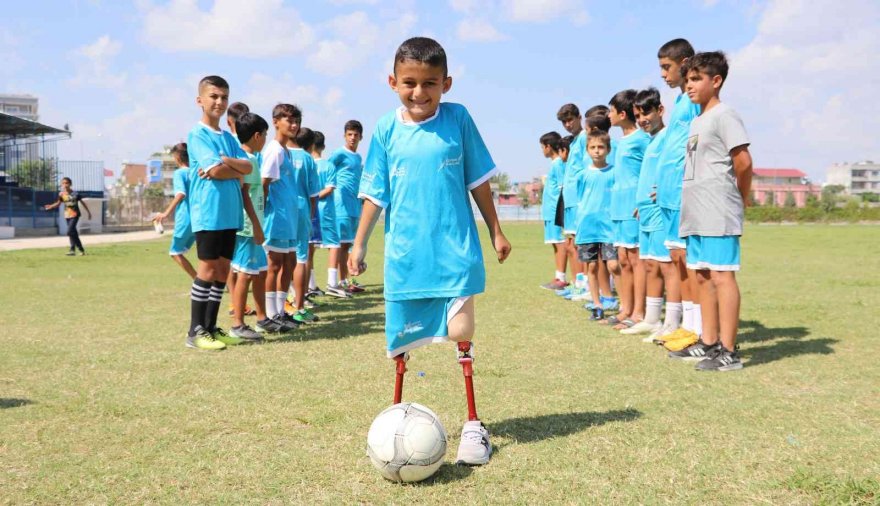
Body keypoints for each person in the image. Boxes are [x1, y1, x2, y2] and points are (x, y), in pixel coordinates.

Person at [349, 37, 511, 466]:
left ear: (446, 84)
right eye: (410, 83)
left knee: (460, 331)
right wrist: (360, 241)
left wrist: (496, 230)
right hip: (405, 256)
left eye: (430, 84)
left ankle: (474, 425)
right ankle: (396, 419)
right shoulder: (385, 129)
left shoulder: (458, 120)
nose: (419, 93)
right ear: (392, 81)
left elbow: (478, 181)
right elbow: (375, 193)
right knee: (401, 344)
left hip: (454, 249)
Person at [669, 51, 752, 371]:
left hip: (718, 208)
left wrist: (739, 197)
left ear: (716, 81)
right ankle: (709, 342)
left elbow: (743, 162)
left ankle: (729, 351)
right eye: (687, 79)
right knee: (702, 275)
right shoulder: (698, 119)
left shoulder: (724, 115)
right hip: (695, 210)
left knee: (721, 275)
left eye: (696, 79)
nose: (689, 85)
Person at [184, 75, 253, 350]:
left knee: (223, 270)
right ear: (200, 100)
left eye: (224, 97)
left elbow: (249, 168)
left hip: (230, 212)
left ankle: (211, 327)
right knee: (208, 268)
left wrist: (227, 163)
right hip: (209, 211)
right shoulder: (197, 134)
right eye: (213, 96)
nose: (219, 102)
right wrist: (229, 168)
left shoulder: (227, 137)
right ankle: (195, 331)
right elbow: (214, 171)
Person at [653, 38, 703, 350]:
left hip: (686, 192)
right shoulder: (681, 101)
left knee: (687, 259)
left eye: (666, 67)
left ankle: (697, 329)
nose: (662, 74)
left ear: (684, 63)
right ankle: (686, 324)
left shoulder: (694, 100)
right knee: (675, 257)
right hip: (669, 193)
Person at [621, 88, 670, 337]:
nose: (641, 119)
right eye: (638, 115)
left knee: (666, 266)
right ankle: (651, 319)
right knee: (650, 264)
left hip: (662, 212)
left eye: (646, 113)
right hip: (645, 211)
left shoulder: (667, 137)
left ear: (660, 110)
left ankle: (672, 322)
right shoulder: (650, 140)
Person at [229, 111, 277, 341]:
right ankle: (238, 324)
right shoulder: (246, 160)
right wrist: (257, 226)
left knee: (260, 272)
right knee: (245, 275)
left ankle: (262, 318)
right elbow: (245, 194)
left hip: (256, 225)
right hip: (248, 228)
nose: (266, 139)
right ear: (257, 135)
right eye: (266, 134)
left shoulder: (253, 158)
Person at [607, 90, 652, 331]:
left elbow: (651, 168)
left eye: (611, 110)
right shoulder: (618, 143)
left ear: (622, 114)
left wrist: (644, 198)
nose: (608, 115)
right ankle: (625, 308)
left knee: (636, 259)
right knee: (623, 258)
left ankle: (639, 312)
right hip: (618, 205)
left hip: (635, 205)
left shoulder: (642, 139)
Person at [260, 103, 301, 334]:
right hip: (276, 218)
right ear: (276, 121)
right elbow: (264, 183)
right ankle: (270, 314)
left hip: (288, 219)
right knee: (274, 265)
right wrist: (264, 211)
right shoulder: (274, 149)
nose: (294, 125)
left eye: (296, 121)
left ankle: (281, 312)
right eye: (289, 121)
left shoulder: (285, 150)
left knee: (289, 264)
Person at [575, 131, 618, 321]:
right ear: (587, 150)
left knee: (614, 265)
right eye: (593, 147)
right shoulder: (583, 175)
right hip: (587, 227)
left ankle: (623, 303)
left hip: (609, 227)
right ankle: (597, 304)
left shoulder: (614, 172)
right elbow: (580, 199)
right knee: (591, 267)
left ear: (608, 149)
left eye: (601, 147)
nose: (597, 151)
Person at [285, 127, 321, 323]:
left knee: (281, 257)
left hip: (282, 212)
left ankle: (280, 305)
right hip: (301, 210)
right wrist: (311, 214)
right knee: (301, 257)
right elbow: (313, 194)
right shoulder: (308, 159)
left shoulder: (281, 152)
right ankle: (299, 306)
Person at [326, 120, 365, 297]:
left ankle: (346, 280)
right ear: (344, 136)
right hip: (340, 204)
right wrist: (330, 190)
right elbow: (326, 168)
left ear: (361, 137)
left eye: (356, 135)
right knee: (341, 245)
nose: (352, 138)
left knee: (348, 244)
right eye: (349, 134)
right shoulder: (339, 154)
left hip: (354, 205)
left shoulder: (358, 157)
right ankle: (340, 282)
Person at [556, 104, 586, 297]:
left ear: (579, 117)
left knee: (577, 245)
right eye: (564, 122)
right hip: (570, 200)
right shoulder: (573, 142)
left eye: (570, 120)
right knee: (571, 244)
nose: (567, 125)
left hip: (578, 200)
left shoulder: (584, 139)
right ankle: (577, 283)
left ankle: (583, 285)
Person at [154, 144, 196, 278]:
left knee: (175, 252)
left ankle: (199, 283)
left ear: (177, 157)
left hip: (186, 218)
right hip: (200, 219)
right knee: (206, 254)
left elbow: (180, 194)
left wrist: (166, 213)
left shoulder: (180, 173)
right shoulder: (197, 172)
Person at [538, 131, 568, 290]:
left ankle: (562, 277)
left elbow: (562, 188)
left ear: (548, 146)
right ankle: (558, 276)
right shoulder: (554, 164)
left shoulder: (559, 164)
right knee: (555, 244)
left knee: (560, 243)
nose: (542, 150)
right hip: (549, 212)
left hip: (556, 211)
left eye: (542, 147)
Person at [306, 130, 331, 299]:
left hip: (308, 211)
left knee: (307, 252)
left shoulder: (308, 163)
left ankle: (310, 286)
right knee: (306, 253)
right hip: (316, 213)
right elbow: (328, 189)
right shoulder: (324, 165)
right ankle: (305, 290)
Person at [44, 177, 92, 256]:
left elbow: (83, 203)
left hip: (75, 214)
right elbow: (58, 203)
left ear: (70, 184)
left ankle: (73, 249)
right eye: (63, 183)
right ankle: (79, 250)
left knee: (70, 231)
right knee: (73, 233)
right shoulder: (61, 194)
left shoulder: (75, 194)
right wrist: (51, 206)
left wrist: (88, 212)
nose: (65, 185)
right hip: (67, 215)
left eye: (66, 183)